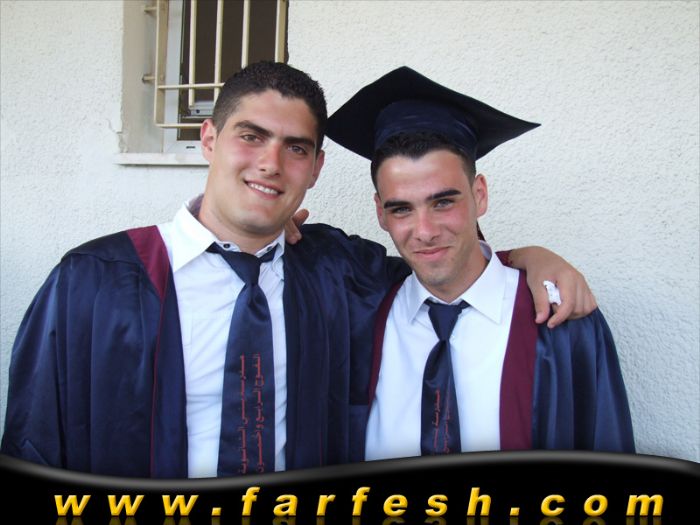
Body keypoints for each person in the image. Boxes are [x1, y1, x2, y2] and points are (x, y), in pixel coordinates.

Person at [1, 62, 598, 478]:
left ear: (315, 168)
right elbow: (35, 440)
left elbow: (443, 267)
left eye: (295, 147)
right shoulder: (95, 281)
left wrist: (526, 259)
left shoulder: (332, 273)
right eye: (251, 136)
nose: (270, 163)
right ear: (208, 138)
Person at [324, 67, 635, 459]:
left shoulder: (561, 320)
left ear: (480, 194)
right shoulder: (361, 313)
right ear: (380, 213)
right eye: (401, 209)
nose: (425, 231)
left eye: (443, 202)